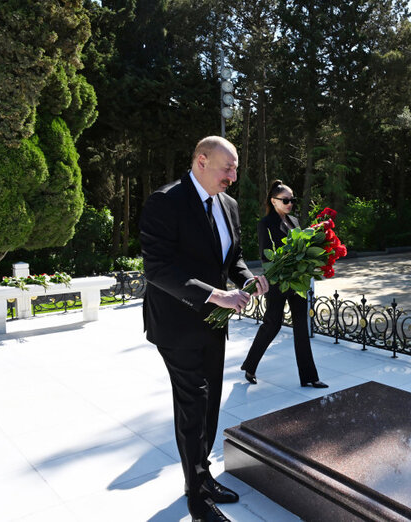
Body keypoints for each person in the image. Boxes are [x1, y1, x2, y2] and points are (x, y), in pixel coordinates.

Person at [140, 136, 268, 522]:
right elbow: (157, 269)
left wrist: (247, 279)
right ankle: (197, 498)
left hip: (214, 324)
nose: (233, 176)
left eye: (236, 168)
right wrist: (216, 294)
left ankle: (203, 476)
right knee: (193, 405)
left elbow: (233, 257)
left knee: (210, 403)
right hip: (177, 325)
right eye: (227, 168)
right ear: (201, 161)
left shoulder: (228, 204)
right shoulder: (165, 201)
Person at [240, 180, 328, 388]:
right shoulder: (265, 224)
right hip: (277, 282)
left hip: (296, 281)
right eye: (286, 200)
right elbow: (264, 256)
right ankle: (250, 366)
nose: (290, 204)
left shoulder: (294, 221)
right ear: (274, 200)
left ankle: (309, 377)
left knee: (301, 326)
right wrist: (285, 263)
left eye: (292, 200)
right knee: (273, 324)